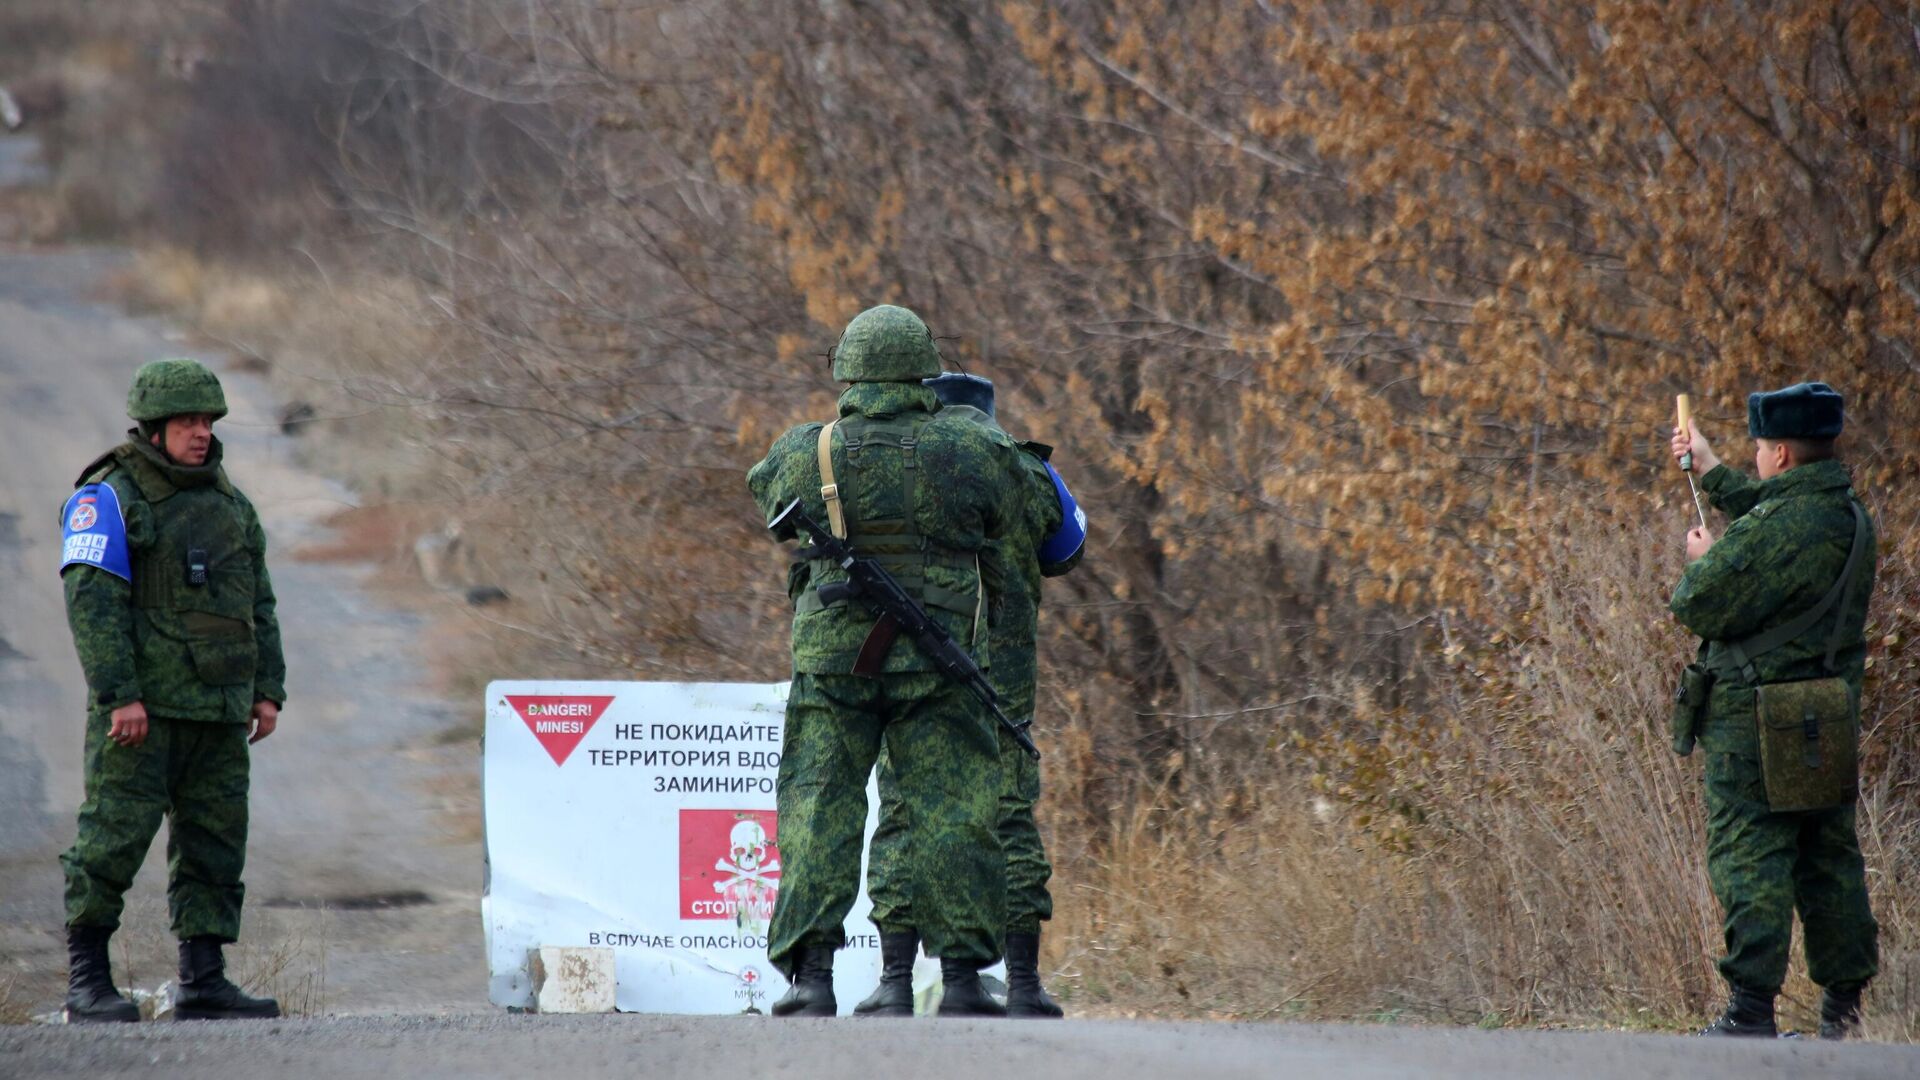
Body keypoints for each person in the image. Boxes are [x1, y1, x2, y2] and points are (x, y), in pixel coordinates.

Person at [747, 305, 1027, 1018]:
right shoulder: (970, 448)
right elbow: (1007, 512)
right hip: (939, 664)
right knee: (956, 809)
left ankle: (811, 979)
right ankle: (963, 980)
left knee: (817, 809)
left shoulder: (805, 451)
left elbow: (763, 488)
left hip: (833, 669)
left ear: (847, 373)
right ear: (923, 370)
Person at [58, 358, 285, 1023]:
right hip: (143, 714)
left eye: (208, 421)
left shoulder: (230, 505)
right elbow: (92, 603)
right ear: (154, 429)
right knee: (112, 839)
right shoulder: (108, 498)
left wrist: (265, 690)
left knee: (216, 841)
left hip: (217, 711)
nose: (201, 433)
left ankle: (204, 979)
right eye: (187, 421)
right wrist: (120, 693)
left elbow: (259, 605)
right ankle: (87, 980)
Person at [856, 372, 1085, 1018]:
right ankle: (1023, 984)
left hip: (922, 667)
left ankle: (896, 982)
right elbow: (1069, 548)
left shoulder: (911, 462)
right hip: (1005, 678)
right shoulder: (1025, 468)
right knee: (1008, 811)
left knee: (903, 806)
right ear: (990, 409)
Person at [1669, 381, 1877, 1039]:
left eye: (1760, 448)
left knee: (1750, 853)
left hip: (1756, 721)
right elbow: (1772, 509)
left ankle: (1750, 1011)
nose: (1756, 458)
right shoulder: (1847, 515)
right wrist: (1708, 465)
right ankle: (1845, 1013)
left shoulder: (1774, 530)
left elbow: (1700, 603)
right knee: (1828, 859)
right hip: (1827, 717)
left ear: (1782, 453)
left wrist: (1704, 561)